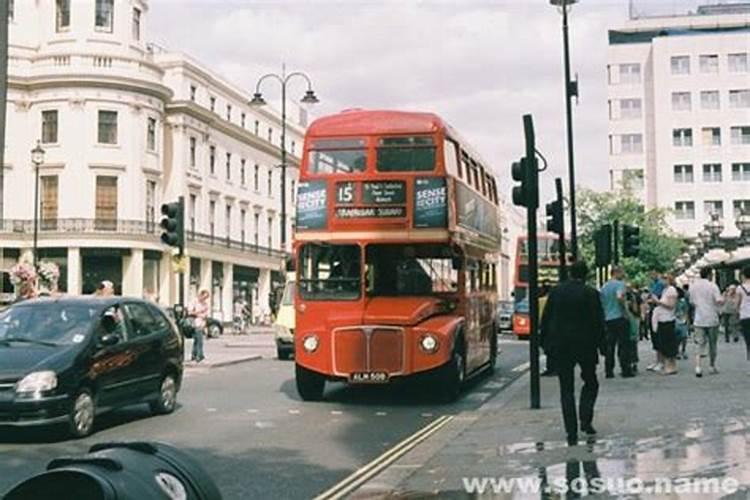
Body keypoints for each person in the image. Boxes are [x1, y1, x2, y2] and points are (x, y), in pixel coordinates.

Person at [541, 261, 606, 446]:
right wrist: (602, 345)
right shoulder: (591, 293)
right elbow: (597, 322)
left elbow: (546, 318)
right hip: (585, 345)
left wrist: (545, 343)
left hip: (561, 346)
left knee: (566, 389)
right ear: (585, 275)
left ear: (570, 273)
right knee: (591, 382)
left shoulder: (556, 292)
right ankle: (585, 420)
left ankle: (571, 432)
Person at [689, 267, 724, 377]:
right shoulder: (713, 286)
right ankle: (711, 366)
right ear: (709, 274)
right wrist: (723, 299)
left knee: (699, 343)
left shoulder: (693, 287)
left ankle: (698, 367)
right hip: (712, 318)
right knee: (712, 344)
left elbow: (692, 302)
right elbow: (718, 300)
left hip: (699, 318)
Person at [600, 266, 632, 378]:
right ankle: (625, 369)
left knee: (610, 346)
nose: (623, 274)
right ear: (616, 273)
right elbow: (619, 297)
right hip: (619, 317)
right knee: (623, 345)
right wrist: (625, 312)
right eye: (622, 272)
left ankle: (609, 370)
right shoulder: (620, 284)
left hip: (608, 319)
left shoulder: (604, 287)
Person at [651, 273, 679, 375]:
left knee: (668, 343)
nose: (663, 281)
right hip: (662, 319)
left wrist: (658, 302)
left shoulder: (671, 290)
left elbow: (671, 305)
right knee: (664, 343)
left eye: (665, 279)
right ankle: (669, 365)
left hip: (668, 319)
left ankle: (670, 366)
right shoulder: (665, 290)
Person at [538, 281, 555, 377]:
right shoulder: (554, 299)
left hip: (544, 326)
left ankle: (550, 368)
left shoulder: (540, 300)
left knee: (547, 348)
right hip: (553, 326)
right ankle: (553, 367)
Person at [189, 289, 210, 363]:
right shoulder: (195, 302)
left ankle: (194, 355)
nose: (205, 299)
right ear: (200, 295)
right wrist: (199, 312)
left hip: (202, 323)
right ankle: (199, 356)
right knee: (199, 340)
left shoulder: (205, 304)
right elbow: (190, 312)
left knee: (197, 340)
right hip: (196, 323)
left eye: (206, 298)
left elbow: (206, 313)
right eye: (204, 297)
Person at [737, 266, 750, 374]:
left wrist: (737, 311)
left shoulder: (740, 288)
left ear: (743, 275)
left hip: (745, 317)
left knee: (749, 342)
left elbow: (737, 303)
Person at [675, 285, 690, 360]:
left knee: (684, 336)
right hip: (674, 320)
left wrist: (687, 320)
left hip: (682, 320)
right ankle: (677, 351)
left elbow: (686, 311)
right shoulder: (672, 301)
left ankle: (683, 350)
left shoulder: (683, 301)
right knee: (677, 337)